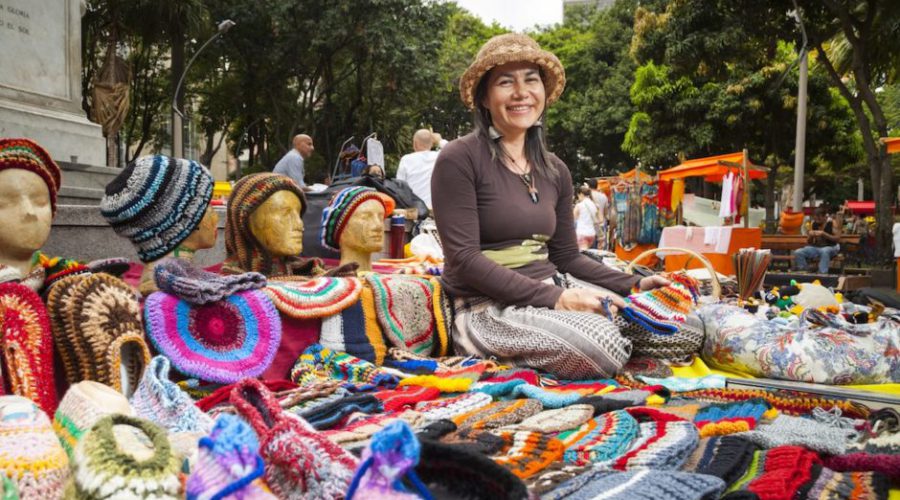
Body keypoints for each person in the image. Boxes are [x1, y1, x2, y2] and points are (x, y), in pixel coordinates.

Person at [432, 33, 669, 380]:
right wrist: (558, 299)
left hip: (551, 286)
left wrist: (634, 285)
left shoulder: (555, 169)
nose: (521, 92)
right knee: (603, 343)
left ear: (543, 91)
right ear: (484, 96)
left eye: (531, 80)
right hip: (485, 306)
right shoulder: (459, 159)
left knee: (679, 325)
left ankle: (587, 336)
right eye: (505, 82)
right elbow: (465, 260)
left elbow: (567, 257)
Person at [397, 129, 439, 210]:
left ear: (415, 143)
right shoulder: (439, 156)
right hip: (436, 211)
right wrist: (439, 140)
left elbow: (400, 187)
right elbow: (454, 150)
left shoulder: (406, 159)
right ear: (432, 143)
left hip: (414, 211)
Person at [793, 206, 841, 273]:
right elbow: (809, 242)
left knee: (824, 251)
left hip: (831, 247)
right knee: (798, 252)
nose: (817, 221)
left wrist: (824, 234)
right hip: (817, 247)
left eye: (819, 218)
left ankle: (822, 273)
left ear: (825, 217)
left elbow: (838, 238)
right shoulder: (814, 224)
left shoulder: (832, 223)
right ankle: (804, 271)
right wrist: (810, 235)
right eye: (816, 219)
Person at [574, 186, 599, 250]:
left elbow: (573, 219)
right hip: (592, 234)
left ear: (581, 194)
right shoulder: (594, 205)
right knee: (589, 254)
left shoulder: (579, 205)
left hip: (582, 233)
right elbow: (598, 219)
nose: (578, 198)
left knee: (583, 255)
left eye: (578, 195)